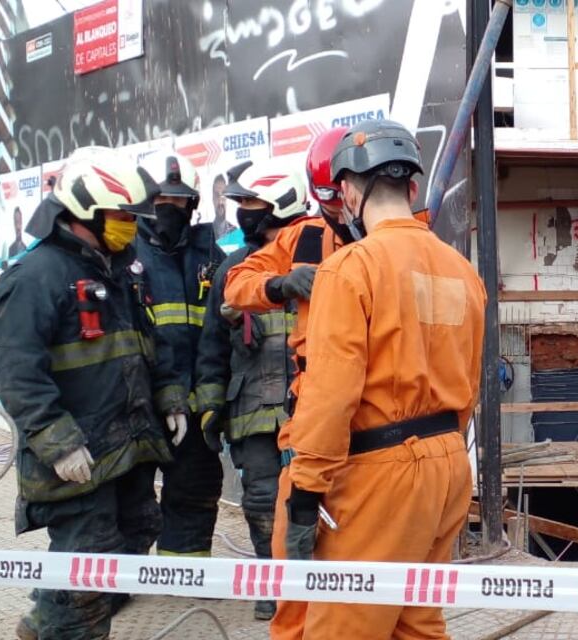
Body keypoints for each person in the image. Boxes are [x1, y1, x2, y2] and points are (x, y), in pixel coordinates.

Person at [281, 120, 486, 638]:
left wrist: (306, 492)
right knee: (415, 624)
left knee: (344, 626)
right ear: (411, 187)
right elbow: (471, 381)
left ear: (348, 192)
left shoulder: (350, 269)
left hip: (379, 474)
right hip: (447, 467)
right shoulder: (461, 270)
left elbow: (331, 396)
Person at [0, 147, 173, 639]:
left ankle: (45, 625)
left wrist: (170, 397)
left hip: (128, 446)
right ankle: (68, 629)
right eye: (121, 215)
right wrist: (57, 439)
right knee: (87, 568)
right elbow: (15, 372)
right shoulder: (34, 278)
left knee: (134, 536)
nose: (130, 226)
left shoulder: (120, 272)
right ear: (83, 212)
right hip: (80, 454)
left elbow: (149, 344)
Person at [223, 126, 355, 639]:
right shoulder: (290, 244)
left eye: (252, 202)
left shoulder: (360, 239)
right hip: (271, 410)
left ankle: (311, 608)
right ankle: (281, 598)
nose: (245, 211)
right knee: (279, 513)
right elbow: (233, 295)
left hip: (329, 412)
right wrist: (280, 284)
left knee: (330, 524)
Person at [195, 159, 310, 621]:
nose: (242, 212)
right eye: (240, 203)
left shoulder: (321, 260)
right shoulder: (233, 270)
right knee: (261, 500)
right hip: (251, 408)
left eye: (251, 204)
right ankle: (273, 585)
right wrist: (207, 405)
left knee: (313, 499)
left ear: (281, 205)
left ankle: (313, 585)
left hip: (310, 407)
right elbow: (210, 346)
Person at [133, 152, 225, 557]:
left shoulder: (211, 258)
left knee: (195, 491)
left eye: (178, 201)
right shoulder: (124, 258)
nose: (169, 208)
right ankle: (109, 588)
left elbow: (223, 336)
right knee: (129, 501)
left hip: (195, 404)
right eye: (161, 200)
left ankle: (186, 576)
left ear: (193, 204)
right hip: (139, 407)